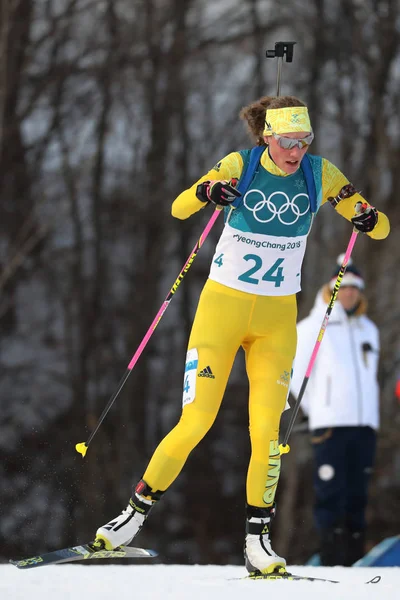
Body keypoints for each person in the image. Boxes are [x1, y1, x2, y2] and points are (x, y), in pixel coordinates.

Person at [91, 95, 390, 575]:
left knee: (266, 435)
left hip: (275, 323)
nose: (296, 151)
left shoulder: (319, 174)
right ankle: (130, 518)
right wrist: (209, 192)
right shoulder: (241, 164)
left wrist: (368, 219)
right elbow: (178, 206)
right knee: (197, 421)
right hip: (221, 314)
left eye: (304, 141)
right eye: (288, 142)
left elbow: (379, 226)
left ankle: (257, 543)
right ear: (268, 137)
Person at [290, 257, 381, 566]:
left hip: (363, 426)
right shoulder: (313, 327)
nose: (349, 294)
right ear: (331, 290)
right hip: (330, 425)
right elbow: (294, 372)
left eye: (355, 288)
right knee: (331, 494)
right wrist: (317, 408)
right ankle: (330, 559)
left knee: (358, 496)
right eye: (343, 288)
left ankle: (355, 560)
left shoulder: (369, 329)